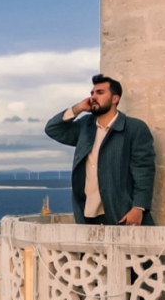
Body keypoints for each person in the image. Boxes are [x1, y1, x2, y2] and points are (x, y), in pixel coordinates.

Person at [45, 74, 155, 226]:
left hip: (121, 213)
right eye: (92, 93)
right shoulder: (85, 126)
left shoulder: (134, 128)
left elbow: (144, 170)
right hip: (86, 214)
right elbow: (52, 129)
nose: (93, 97)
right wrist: (79, 108)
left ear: (115, 99)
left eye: (100, 93)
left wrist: (138, 207)